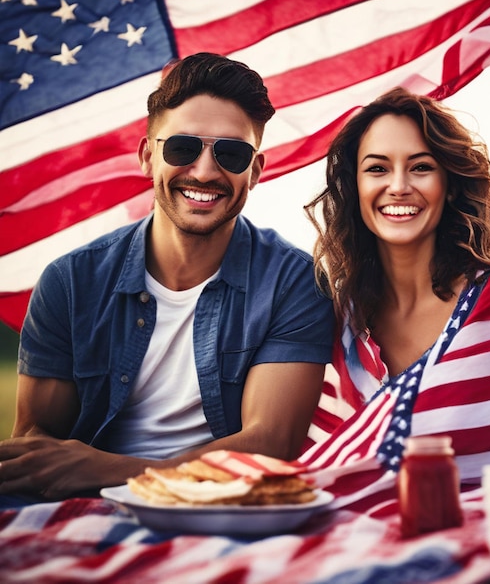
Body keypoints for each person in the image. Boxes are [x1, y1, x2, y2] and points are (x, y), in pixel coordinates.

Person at [0, 52, 335, 501]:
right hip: (81, 507)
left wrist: (111, 469)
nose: (205, 171)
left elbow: (269, 444)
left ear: (255, 171)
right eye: (182, 148)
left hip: (223, 504)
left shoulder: (293, 283)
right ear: (147, 156)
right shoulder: (69, 281)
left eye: (232, 154)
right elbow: (36, 444)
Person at [302, 87, 490, 487]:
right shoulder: (340, 318)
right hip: (352, 539)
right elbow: (321, 462)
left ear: (450, 183)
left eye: (420, 167)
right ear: (354, 188)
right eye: (377, 169)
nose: (399, 185)